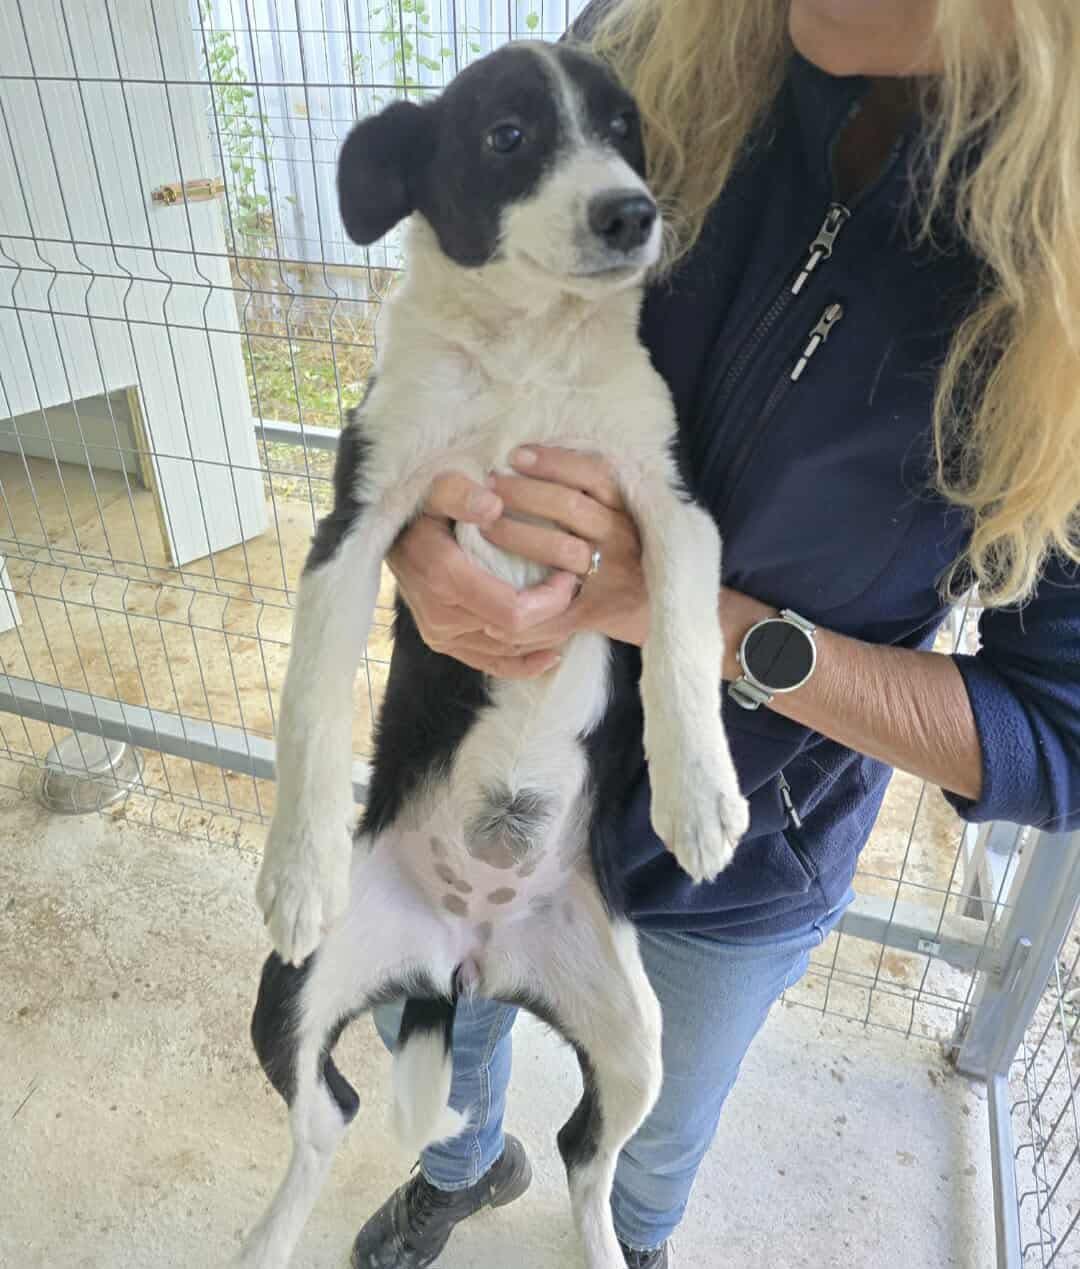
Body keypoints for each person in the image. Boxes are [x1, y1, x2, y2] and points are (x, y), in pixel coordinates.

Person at [351, 2, 1080, 1266]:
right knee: (425, 1027)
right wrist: (410, 520)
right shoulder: (640, 37)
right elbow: (441, 322)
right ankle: (460, 1168)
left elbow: (1056, 735)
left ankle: (632, 1234)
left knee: (657, 1113)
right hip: (473, 758)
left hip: (738, 850)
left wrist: (698, 622)